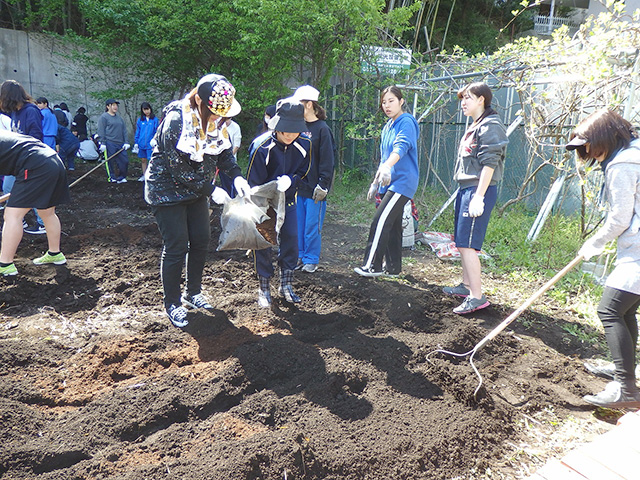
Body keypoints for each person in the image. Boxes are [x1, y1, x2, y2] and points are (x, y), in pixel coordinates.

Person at [144, 73, 251, 328]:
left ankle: (193, 292)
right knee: (177, 245)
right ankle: (172, 303)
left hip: (197, 191)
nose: (219, 119)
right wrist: (211, 189)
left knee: (201, 239)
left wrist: (237, 177)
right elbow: (176, 168)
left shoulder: (217, 122)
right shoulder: (175, 121)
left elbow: (224, 154)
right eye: (215, 113)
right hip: (166, 190)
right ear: (202, 103)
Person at [566, 108, 640, 409]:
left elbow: (620, 217)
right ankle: (626, 371)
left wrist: (593, 244)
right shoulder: (635, 152)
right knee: (625, 310)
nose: (588, 153)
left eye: (588, 146)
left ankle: (626, 390)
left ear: (603, 138)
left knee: (609, 310)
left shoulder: (622, 164)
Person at [442, 82, 507, 315]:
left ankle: (477, 297)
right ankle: (466, 285)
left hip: (478, 190)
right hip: (466, 188)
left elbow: (490, 163)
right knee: (461, 242)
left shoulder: (491, 125)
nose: (463, 103)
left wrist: (478, 197)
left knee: (469, 245)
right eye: (462, 98)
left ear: (482, 99)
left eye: (468, 98)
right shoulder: (476, 125)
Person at [247, 98, 312, 307]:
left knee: (291, 240)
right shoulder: (261, 147)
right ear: (277, 127)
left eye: (295, 132)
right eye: (286, 132)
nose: (291, 136)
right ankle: (264, 288)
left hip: (289, 199)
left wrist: (291, 180)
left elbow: (304, 172)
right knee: (264, 242)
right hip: (264, 204)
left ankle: (286, 284)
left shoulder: (304, 144)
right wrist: (272, 187)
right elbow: (253, 184)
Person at [354, 86, 419, 279]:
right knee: (392, 224)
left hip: (402, 182)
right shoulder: (388, 126)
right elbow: (384, 157)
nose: (387, 105)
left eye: (391, 100)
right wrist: (376, 181)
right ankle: (393, 268)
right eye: (384, 102)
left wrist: (388, 166)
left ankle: (372, 266)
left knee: (380, 221)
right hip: (388, 182)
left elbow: (402, 146)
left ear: (401, 101)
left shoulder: (406, 121)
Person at [0, 130, 70, 276]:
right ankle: (54, 253)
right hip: (53, 160)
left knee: (12, 215)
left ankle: (5, 264)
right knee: (47, 212)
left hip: (35, 165)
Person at [292, 85, 335, 273]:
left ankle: (311, 258)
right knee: (298, 224)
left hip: (315, 188)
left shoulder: (322, 129)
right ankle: (299, 255)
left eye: (299, 104)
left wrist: (323, 184)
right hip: (298, 186)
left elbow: (328, 159)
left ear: (309, 104)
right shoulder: (297, 127)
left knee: (312, 225)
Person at [0, 80, 47, 235]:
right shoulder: (15, 112)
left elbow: (36, 136)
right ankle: (18, 220)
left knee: (32, 190)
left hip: (30, 158)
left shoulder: (30, 111)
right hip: (16, 160)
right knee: (7, 188)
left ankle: (42, 224)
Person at [97, 98, 130, 183]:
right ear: (108, 106)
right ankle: (112, 177)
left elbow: (124, 130)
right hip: (109, 142)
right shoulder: (104, 117)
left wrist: (126, 142)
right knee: (110, 162)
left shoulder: (119, 118)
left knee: (124, 161)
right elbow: (101, 130)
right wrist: (102, 143)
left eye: (116, 105)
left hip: (120, 143)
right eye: (113, 105)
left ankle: (121, 177)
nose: (115, 107)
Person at [133, 102, 159, 181]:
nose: (146, 111)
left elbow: (156, 131)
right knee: (143, 160)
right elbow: (138, 131)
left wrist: (155, 140)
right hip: (141, 144)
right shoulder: (140, 121)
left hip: (150, 144)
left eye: (147, 109)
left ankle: (151, 175)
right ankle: (144, 175)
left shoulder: (154, 120)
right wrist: (136, 142)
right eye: (144, 110)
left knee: (151, 160)